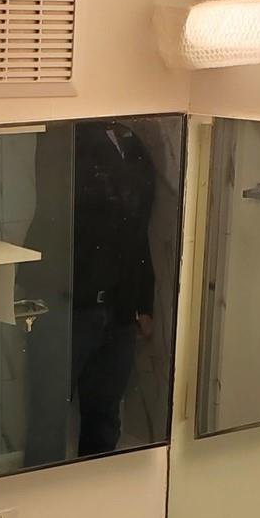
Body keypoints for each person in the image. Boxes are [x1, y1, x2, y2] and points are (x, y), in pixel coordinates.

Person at [21, 119, 158, 466]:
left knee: (105, 419)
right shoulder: (64, 136)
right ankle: (40, 504)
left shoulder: (130, 141)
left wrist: (143, 300)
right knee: (48, 420)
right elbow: (70, 205)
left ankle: (95, 506)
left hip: (119, 308)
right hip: (66, 303)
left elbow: (139, 225)